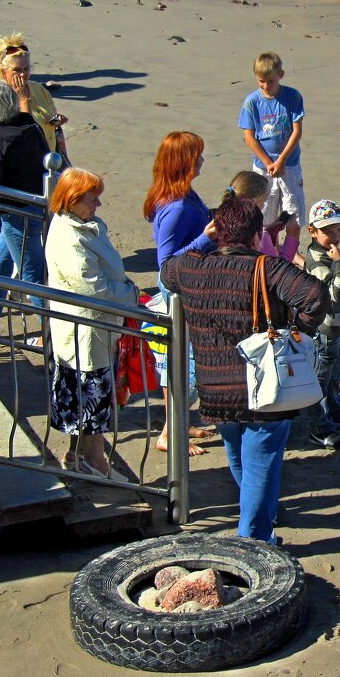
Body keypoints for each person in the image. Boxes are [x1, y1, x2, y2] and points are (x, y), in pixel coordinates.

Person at [161, 196, 330, 544]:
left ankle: (262, 526)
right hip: (264, 387)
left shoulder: (191, 269)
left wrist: (205, 240)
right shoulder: (266, 268)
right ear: (256, 236)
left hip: (214, 387)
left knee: (241, 457)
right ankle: (251, 541)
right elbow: (316, 296)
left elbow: (166, 271)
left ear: (218, 233)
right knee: (261, 462)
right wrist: (294, 329)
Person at [46, 168, 138, 481]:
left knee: (81, 391)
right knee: (91, 393)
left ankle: (76, 455)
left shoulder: (85, 226)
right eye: (92, 199)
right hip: (86, 329)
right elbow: (91, 287)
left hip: (92, 327)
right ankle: (96, 462)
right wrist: (130, 294)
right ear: (72, 200)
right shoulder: (69, 237)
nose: (98, 204)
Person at [142, 130, 212, 456]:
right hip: (181, 293)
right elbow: (166, 263)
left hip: (191, 288)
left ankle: (179, 424)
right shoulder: (176, 207)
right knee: (184, 364)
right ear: (183, 162)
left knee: (183, 361)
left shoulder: (183, 197)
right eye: (196, 155)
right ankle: (170, 433)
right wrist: (208, 238)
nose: (201, 160)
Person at [0, 79, 50, 331]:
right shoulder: (29, 125)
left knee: (32, 277)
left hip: (15, 214)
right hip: (37, 205)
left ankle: (54, 335)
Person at [304, 199, 340, 450]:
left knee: (335, 375)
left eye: (338, 229)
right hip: (325, 330)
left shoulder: (330, 253)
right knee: (320, 380)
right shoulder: (318, 262)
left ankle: (336, 414)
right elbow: (335, 294)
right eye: (327, 231)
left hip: (339, 326)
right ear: (312, 232)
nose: (335, 235)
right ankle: (319, 428)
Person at [238, 52, 305, 258]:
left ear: (281, 75)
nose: (266, 86)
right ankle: (271, 251)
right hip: (262, 166)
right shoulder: (252, 102)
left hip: (289, 163)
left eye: (271, 81)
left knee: (293, 209)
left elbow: (296, 131)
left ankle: (291, 251)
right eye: (261, 82)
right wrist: (268, 162)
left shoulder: (292, 96)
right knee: (265, 211)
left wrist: (281, 159)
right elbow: (249, 136)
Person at [0, 32, 69, 164]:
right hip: (25, 163)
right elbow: (24, 131)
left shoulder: (38, 89)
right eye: (16, 70)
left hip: (49, 157)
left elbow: (49, 116)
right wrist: (22, 98)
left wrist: (56, 120)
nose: (22, 74)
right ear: (4, 71)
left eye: (26, 68)